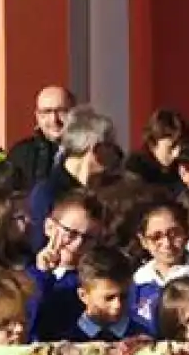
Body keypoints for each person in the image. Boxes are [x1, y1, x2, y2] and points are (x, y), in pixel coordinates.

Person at [25, 105, 119, 256]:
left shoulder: (110, 189)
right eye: (111, 147)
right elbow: (38, 248)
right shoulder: (47, 193)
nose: (115, 155)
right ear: (95, 149)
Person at [5, 86, 73, 190]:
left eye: (61, 111)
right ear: (37, 116)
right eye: (47, 112)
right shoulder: (20, 153)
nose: (54, 119)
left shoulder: (90, 152)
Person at [127, 108, 189, 187]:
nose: (176, 154)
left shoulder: (182, 167)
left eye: (181, 146)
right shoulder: (135, 170)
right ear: (153, 144)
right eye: (171, 148)